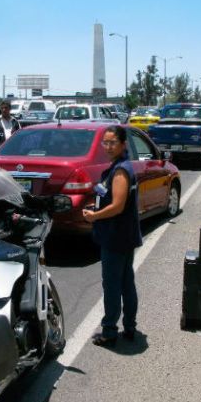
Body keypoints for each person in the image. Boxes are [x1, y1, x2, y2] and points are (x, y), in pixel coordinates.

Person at [82, 125, 143, 347]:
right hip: (123, 235)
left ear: (123, 145)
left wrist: (94, 216)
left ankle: (109, 331)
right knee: (126, 282)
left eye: (112, 143)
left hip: (116, 236)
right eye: (105, 142)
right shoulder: (120, 166)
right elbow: (112, 200)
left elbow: (118, 206)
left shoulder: (120, 171)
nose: (107, 147)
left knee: (113, 285)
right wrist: (97, 205)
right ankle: (130, 327)